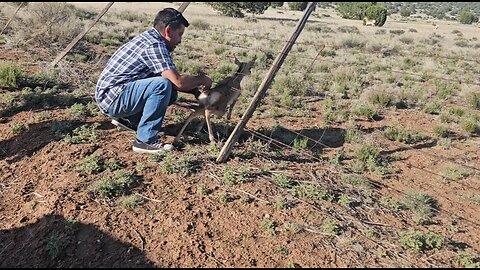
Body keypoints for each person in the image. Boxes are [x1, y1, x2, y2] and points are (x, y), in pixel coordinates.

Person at [95, 7, 212, 154]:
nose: (180, 40)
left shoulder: (151, 38)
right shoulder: (154, 45)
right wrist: (203, 79)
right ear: (168, 31)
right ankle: (145, 141)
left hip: (114, 94)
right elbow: (178, 82)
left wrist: (196, 91)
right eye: (180, 34)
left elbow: (173, 81)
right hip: (112, 98)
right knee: (162, 85)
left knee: (169, 90)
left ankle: (130, 120)